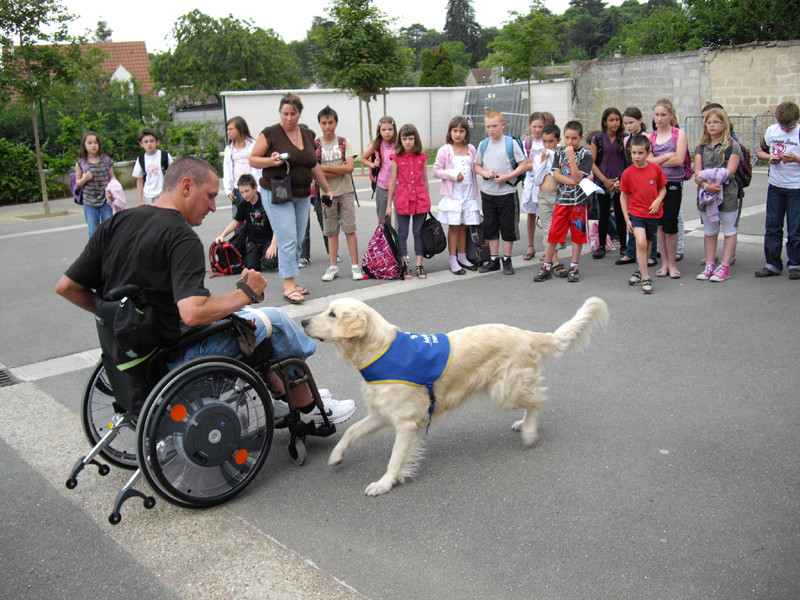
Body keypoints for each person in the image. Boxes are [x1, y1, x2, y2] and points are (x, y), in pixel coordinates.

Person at [55, 156, 355, 424]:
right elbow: (193, 311)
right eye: (210, 196)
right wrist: (246, 292)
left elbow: (67, 287)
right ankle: (308, 406)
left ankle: (279, 393)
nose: (214, 206)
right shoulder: (179, 237)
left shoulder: (117, 222)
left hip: (136, 356)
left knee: (244, 317)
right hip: (174, 357)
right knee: (271, 319)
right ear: (187, 186)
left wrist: (123, 318)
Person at [249, 94, 333, 305]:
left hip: (302, 193)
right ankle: (288, 285)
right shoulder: (270, 133)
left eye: (293, 113)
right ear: (280, 113)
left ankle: (292, 281)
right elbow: (253, 159)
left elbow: (313, 165)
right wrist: (271, 160)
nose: (288, 118)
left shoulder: (307, 134)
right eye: (285, 113)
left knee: (296, 239)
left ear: (299, 113)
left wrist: (326, 188)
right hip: (277, 192)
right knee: (286, 237)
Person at [534, 120, 594, 283]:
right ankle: (547, 265)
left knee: (577, 236)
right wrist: (575, 181)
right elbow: (557, 175)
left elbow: (578, 176)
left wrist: (572, 159)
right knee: (553, 234)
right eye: (567, 137)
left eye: (574, 138)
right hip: (561, 201)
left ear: (580, 138)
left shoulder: (586, 156)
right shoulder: (559, 153)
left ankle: (574, 266)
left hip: (579, 203)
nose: (570, 142)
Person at [473, 110, 530, 275]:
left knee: (507, 228)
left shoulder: (510, 143)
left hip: (507, 193)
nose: (491, 130)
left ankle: (507, 258)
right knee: (490, 227)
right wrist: (484, 173)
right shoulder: (483, 145)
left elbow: (524, 164)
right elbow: (476, 165)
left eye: (495, 126)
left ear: (502, 125)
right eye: (488, 127)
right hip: (488, 193)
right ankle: (493, 259)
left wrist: (508, 177)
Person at [315, 106, 364, 282]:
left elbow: (350, 168)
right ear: (320, 124)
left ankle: (355, 266)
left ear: (336, 123)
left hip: (345, 191)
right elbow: (315, 172)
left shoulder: (344, 142)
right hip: (326, 193)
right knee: (331, 231)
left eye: (330, 122)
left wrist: (325, 168)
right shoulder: (316, 144)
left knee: (350, 229)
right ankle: (333, 266)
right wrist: (339, 169)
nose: (327, 126)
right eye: (324, 123)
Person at [693, 107, 741, 282]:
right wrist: (706, 184)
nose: (711, 125)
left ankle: (725, 266)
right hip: (706, 193)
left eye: (716, 122)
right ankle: (710, 264)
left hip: (726, 193)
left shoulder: (733, 146)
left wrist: (710, 177)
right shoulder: (700, 147)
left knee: (729, 230)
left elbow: (729, 172)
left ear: (724, 124)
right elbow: (697, 173)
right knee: (710, 231)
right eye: (709, 122)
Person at [755, 101, 800, 280]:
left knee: (795, 228)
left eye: (789, 126)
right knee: (772, 226)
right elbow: (760, 152)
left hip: (796, 187)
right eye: (783, 125)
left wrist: (795, 158)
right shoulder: (772, 131)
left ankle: (795, 264)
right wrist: (770, 158)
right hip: (775, 185)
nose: (786, 129)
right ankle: (772, 263)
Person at [432, 116, 481, 275]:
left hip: (468, 195)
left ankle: (463, 256)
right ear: (450, 132)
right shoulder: (445, 150)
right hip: (454, 196)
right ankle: (453, 259)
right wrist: (453, 174)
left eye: (461, 130)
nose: (458, 134)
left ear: (466, 132)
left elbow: (476, 168)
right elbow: (436, 171)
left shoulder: (471, 149)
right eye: (455, 130)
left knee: (464, 226)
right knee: (454, 227)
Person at [619, 135, 667, 294]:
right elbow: (623, 197)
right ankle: (646, 277)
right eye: (634, 153)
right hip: (636, 214)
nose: (637, 157)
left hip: (653, 214)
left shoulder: (656, 169)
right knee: (640, 243)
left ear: (648, 152)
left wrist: (658, 200)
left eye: (640, 153)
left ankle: (641, 270)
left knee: (647, 244)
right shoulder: (627, 173)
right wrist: (627, 218)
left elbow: (662, 188)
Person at [648, 99, 688, 279]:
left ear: (671, 114)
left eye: (663, 114)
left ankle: (672, 263)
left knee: (671, 223)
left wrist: (659, 159)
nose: (659, 118)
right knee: (660, 225)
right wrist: (668, 156)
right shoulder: (652, 136)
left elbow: (679, 160)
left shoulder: (679, 134)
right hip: (656, 185)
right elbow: (648, 161)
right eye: (657, 114)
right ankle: (664, 263)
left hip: (673, 183)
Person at [387, 124, 431, 279]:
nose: (407, 142)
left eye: (410, 138)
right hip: (403, 198)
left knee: (418, 232)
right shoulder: (396, 158)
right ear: (400, 140)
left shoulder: (422, 157)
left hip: (420, 198)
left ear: (415, 139)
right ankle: (404, 264)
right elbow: (392, 182)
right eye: (404, 138)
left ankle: (419, 265)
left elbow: (425, 180)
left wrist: (428, 199)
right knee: (402, 233)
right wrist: (388, 205)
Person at [616, 107, 658, 268]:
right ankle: (631, 252)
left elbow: (651, 161)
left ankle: (651, 255)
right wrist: (620, 179)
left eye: (631, 122)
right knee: (633, 219)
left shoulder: (647, 137)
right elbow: (626, 163)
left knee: (647, 222)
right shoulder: (627, 140)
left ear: (640, 120)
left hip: (646, 183)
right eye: (626, 123)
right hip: (631, 181)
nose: (629, 126)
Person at [215, 174, 278, 271]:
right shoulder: (243, 205)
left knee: (270, 263)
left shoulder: (265, 202)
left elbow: (276, 224)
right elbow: (235, 222)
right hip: (253, 241)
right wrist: (222, 235)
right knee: (252, 267)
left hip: (268, 240)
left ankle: (276, 253)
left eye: (247, 191)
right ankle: (255, 255)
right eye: (242, 192)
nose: (245, 195)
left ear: (255, 188)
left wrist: (273, 244)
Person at [589, 107, 627, 259]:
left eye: (617, 120)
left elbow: (626, 162)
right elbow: (592, 162)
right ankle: (602, 245)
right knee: (603, 214)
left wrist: (617, 180)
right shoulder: (597, 139)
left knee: (620, 213)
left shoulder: (624, 138)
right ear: (605, 122)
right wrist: (604, 180)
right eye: (611, 120)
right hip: (602, 182)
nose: (615, 123)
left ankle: (624, 245)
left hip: (619, 182)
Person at [531, 124, 563, 273]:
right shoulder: (539, 157)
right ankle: (554, 262)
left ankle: (551, 259)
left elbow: (559, 174)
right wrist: (543, 161)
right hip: (543, 197)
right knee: (548, 229)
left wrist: (551, 158)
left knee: (557, 229)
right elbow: (537, 179)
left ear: (558, 140)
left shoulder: (561, 155)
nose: (548, 145)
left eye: (551, 141)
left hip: (557, 196)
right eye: (545, 141)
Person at [74, 131, 115, 238]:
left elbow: (112, 177)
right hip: (89, 202)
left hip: (106, 200)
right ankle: (95, 253)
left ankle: (109, 252)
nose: (93, 145)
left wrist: (112, 190)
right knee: (93, 231)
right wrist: (84, 179)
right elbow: (77, 182)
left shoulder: (106, 160)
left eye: (95, 142)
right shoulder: (81, 163)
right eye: (90, 143)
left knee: (109, 229)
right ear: (84, 145)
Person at [521, 112, 547, 261]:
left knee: (545, 214)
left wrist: (533, 166)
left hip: (544, 182)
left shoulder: (546, 142)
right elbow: (525, 164)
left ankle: (548, 246)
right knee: (531, 214)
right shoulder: (527, 143)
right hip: (531, 182)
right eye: (535, 126)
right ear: (530, 126)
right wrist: (537, 166)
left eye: (540, 127)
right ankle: (531, 245)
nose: (537, 130)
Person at [361, 116, 397, 222]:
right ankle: (385, 238)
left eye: (390, 129)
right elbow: (363, 159)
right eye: (383, 129)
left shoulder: (399, 144)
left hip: (398, 186)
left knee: (400, 220)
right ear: (379, 130)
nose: (387, 132)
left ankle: (399, 239)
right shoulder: (376, 144)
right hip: (382, 186)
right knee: (384, 220)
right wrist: (373, 164)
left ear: (394, 130)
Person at [222, 116, 260, 217]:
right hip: (238, 189)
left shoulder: (253, 145)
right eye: (227, 130)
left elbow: (260, 167)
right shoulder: (229, 149)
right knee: (239, 219)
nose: (228, 132)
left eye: (231, 129)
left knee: (257, 218)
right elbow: (226, 170)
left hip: (253, 187)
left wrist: (260, 186)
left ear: (240, 129)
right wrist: (228, 190)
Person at [132, 128, 172, 206]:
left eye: (151, 141)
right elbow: (139, 180)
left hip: (164, 193)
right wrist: (140, 201)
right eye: (146, 142)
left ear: (157, 142)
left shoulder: (165, 156)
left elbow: (174, 175)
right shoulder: (140, 159)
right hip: (148, 196)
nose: (149, 144)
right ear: (141, 144)